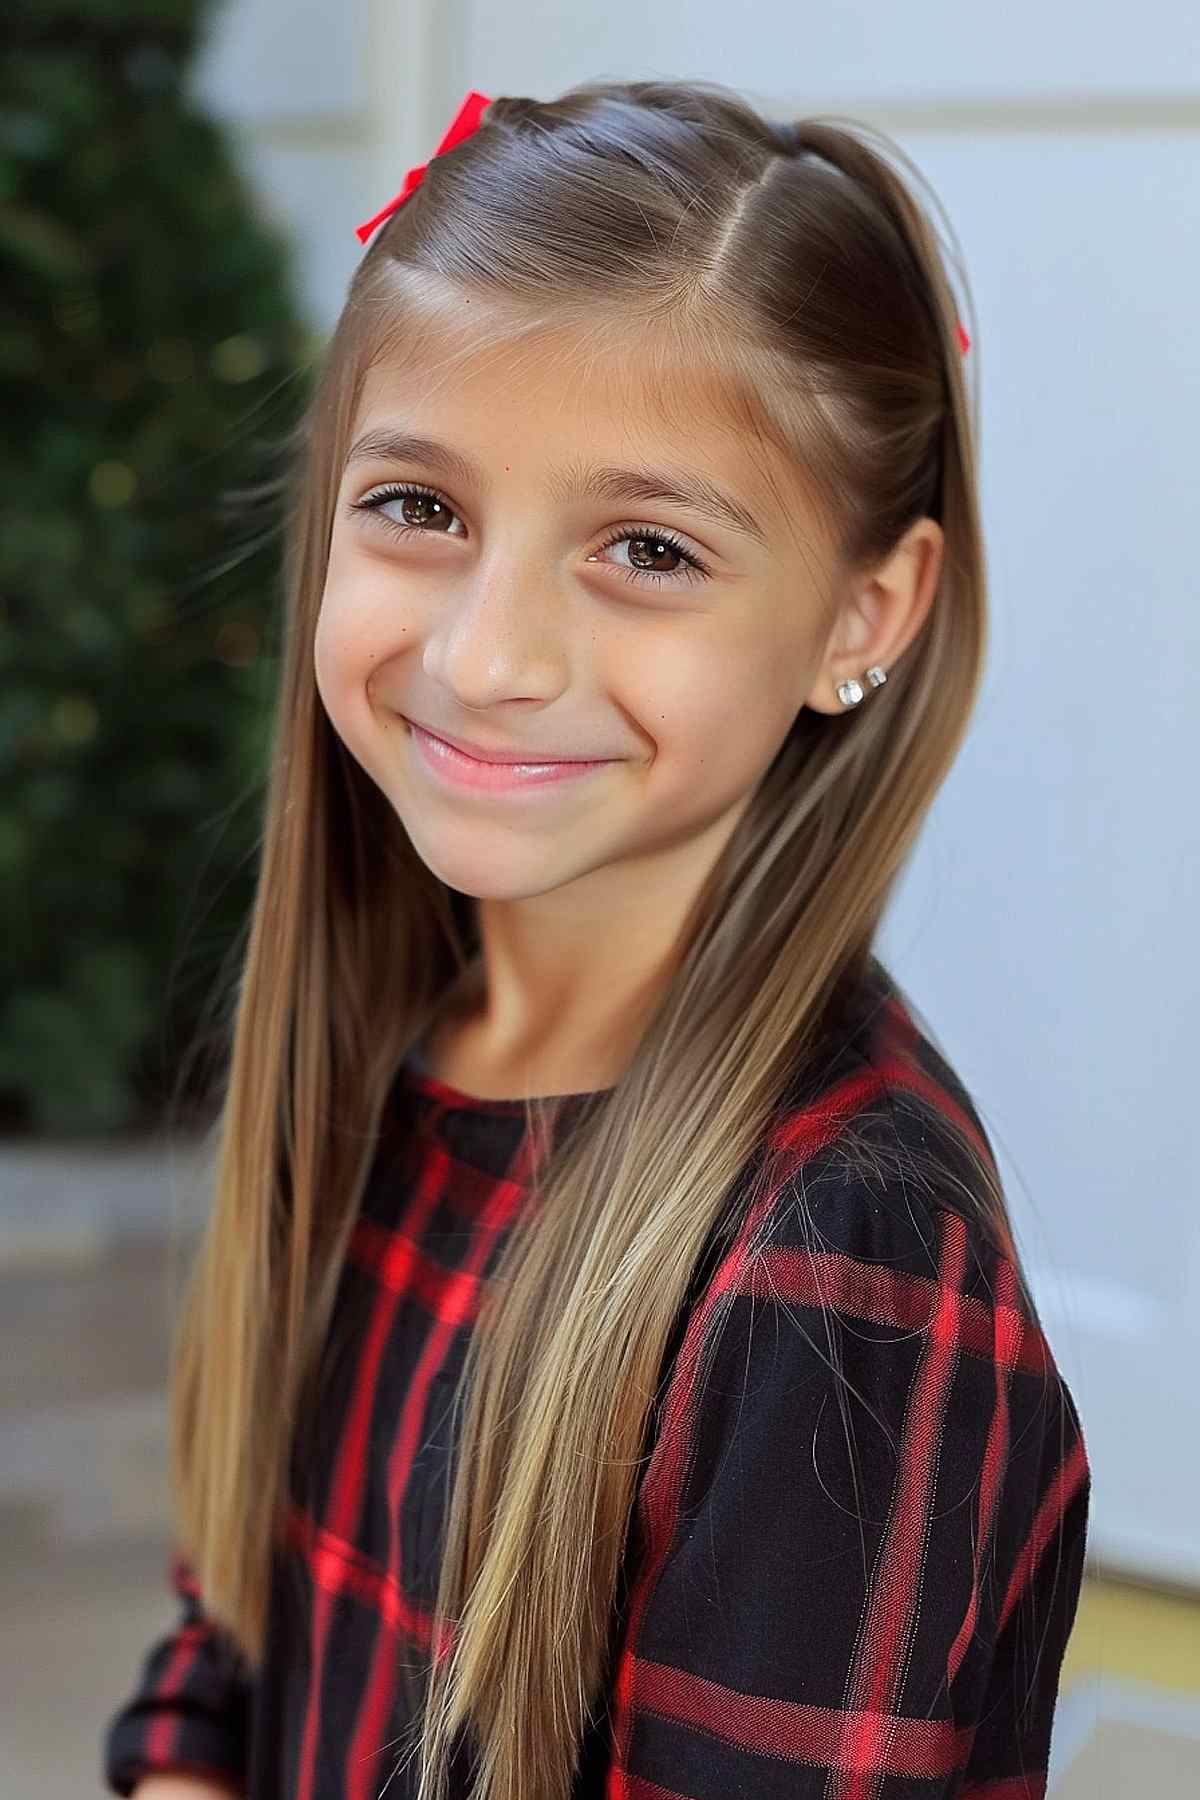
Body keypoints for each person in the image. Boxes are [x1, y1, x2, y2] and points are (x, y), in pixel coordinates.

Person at [103, 77, 1091, 1800]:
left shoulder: (840, 1260)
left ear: (864, 614)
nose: (490, 656)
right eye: (421, 509)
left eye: (646, 548)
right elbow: (238, 1633)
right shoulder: (378, 1039)